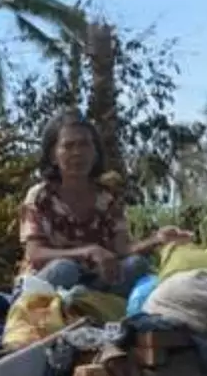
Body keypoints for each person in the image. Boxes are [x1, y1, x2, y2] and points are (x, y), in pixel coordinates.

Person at [17, 111, 191, 293]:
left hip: (94, 282)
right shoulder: (40, 197)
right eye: (69, 146)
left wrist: (157, 239)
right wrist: (88, 252)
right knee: (64, 268)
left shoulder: (107, 198)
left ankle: (91, 306)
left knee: (136, 265)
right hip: (48, 284)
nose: (78, 153)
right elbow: (35, 254)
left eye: (85, 145)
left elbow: (122, 249)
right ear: (53, 155)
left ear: (95, 152)